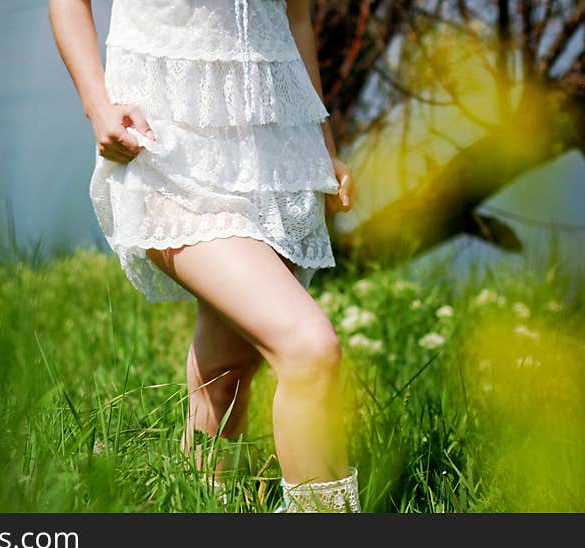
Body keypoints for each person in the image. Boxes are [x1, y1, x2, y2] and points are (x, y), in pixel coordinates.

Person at [49, 0, 361, 512]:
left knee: (225, 371)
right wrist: (98, 105)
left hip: (275, 155)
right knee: (309, 350)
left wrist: (321, 144)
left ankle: (199, 507)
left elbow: (296, 15)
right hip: (166, 155)